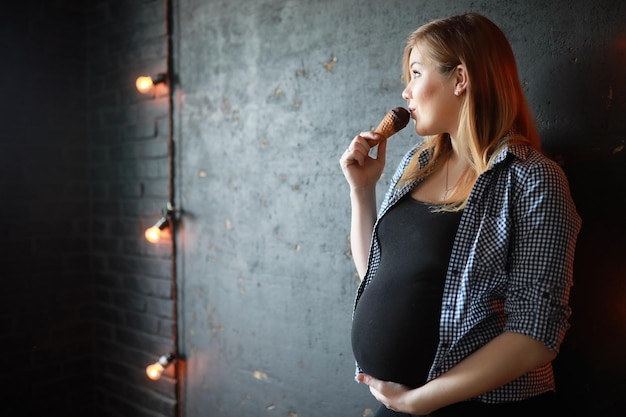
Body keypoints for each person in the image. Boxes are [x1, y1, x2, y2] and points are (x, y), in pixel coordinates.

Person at [339, 12, 581, 417]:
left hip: (481, 406)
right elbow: (376, 275)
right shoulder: (416, 165)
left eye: (416, 73)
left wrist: (421, 400)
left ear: (461, 78)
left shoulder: (533, 179)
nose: (406, 92)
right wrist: (362, 191)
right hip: (402, 404)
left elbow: (537, 333)